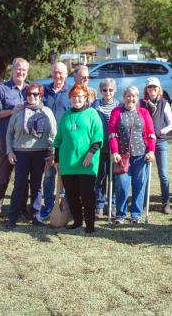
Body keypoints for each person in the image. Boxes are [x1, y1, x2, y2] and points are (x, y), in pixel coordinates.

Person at [4, 83, 57, 230]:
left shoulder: (47, 112)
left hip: (40, 153)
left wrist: (52, 152)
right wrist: (10, 151)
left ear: (41, 95)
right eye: (28, 94)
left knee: (36, 186)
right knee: (19, 185)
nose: (31, 97)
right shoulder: (19, 111)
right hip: (20, 153)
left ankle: (36, 216)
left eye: (35, 94)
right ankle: (12, 217)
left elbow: (54, 134)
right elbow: (9, 133)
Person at [52, 84, 103, 233]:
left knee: (87, 194)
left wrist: (90, 153)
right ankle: (77, 221)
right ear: (70, 98)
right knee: (72, 195)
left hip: (86, 163)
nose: (77, 99)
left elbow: (98, 136)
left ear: (85, 97)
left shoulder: (92, 113)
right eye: (74, 96)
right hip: (68, 163)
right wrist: (57, 160)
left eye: (80, 96)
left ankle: (90, 224)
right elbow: (58, 139)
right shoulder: (66, 115)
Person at [0, 57, 30, 223]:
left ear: (27, 73)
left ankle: (21, 208)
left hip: (25, 141)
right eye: (18, 69)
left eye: (24, 71)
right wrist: (13, 110)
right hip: (8, 140)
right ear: (13, 70)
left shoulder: (30, 89)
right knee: (3, 177)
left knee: (23, 178)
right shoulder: (2, 89)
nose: (20, 73)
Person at [108, 86, 156, 224]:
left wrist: (151, 150)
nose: (131, 99)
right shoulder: (117, 112)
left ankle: (135, 215)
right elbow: (112, 134)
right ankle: (120, 215)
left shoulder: (144, 112)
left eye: (134, 96)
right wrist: (115, 151)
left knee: (139, 184)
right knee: (122, 185)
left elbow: (151, 134)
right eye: (128, 96)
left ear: (138, 98)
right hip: (122, 156)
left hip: (141, 156)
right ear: (124, 97)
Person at [41, 62, 71, 220]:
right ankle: (47, 206)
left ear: (66, 75)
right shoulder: (44, 91)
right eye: (55, 72)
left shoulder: (70, 92)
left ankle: (63, 206)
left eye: (61, 73)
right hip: (46, 142)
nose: (57, 76)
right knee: (48, 176)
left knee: (65, 176)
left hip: (65, 143)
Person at [140, 77, 172, 214]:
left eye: (155, 87)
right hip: (144, 143)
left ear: (159, 89)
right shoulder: (141, 104)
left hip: (160, 142)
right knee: (144, 175)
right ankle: (143, 203)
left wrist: (164, 130)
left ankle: (166, 202)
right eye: (150, 87)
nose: (152, 90)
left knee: (163, 174)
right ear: (146, 89)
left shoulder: (164, 103)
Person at [91, 78, 120, 217]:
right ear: (100, 91)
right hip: (100, 148)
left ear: (114, 91)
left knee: (113, 178)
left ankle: (113, 204)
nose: (107, 92)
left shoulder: (119, 106)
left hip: (115, 150)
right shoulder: (94, 106)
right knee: (100, 178)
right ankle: (99, 205)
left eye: (110, 90)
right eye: (104, 90)